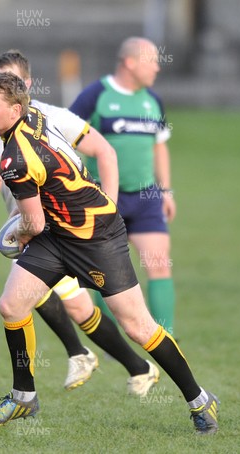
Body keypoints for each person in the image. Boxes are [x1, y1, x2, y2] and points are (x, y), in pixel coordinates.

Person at [0, 72, 219, 434]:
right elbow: (43, 221)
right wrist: (27, 233)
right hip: (59, 233)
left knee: (138, 327)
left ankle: (200, 399)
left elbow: (33, 224)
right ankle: (23, 396)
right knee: (12, 305)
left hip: (97, 237)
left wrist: (15, 239)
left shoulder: (14, 160)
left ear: (14, 109)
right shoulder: (35, 117)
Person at [0, 50, 159, 395]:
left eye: (9, 80)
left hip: (63, 231)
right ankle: (125, 364)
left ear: (26, 85)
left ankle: (91, 358)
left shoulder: (51, 117)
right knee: (44, 302)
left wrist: (110, 206)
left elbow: (104, 151)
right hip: (33, 229)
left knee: (68, 305)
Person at [70, 37, 177, 337]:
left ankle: (166, 337)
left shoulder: (152, 100)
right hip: (103, 196)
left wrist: (166, 189)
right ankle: (110, 339)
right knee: (103, 275)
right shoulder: (95, 95)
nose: (157, 67)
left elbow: (160, 147)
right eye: (151, 60)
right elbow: (63, 135)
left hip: (146, 198)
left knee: (159, 264)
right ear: (130, 62)